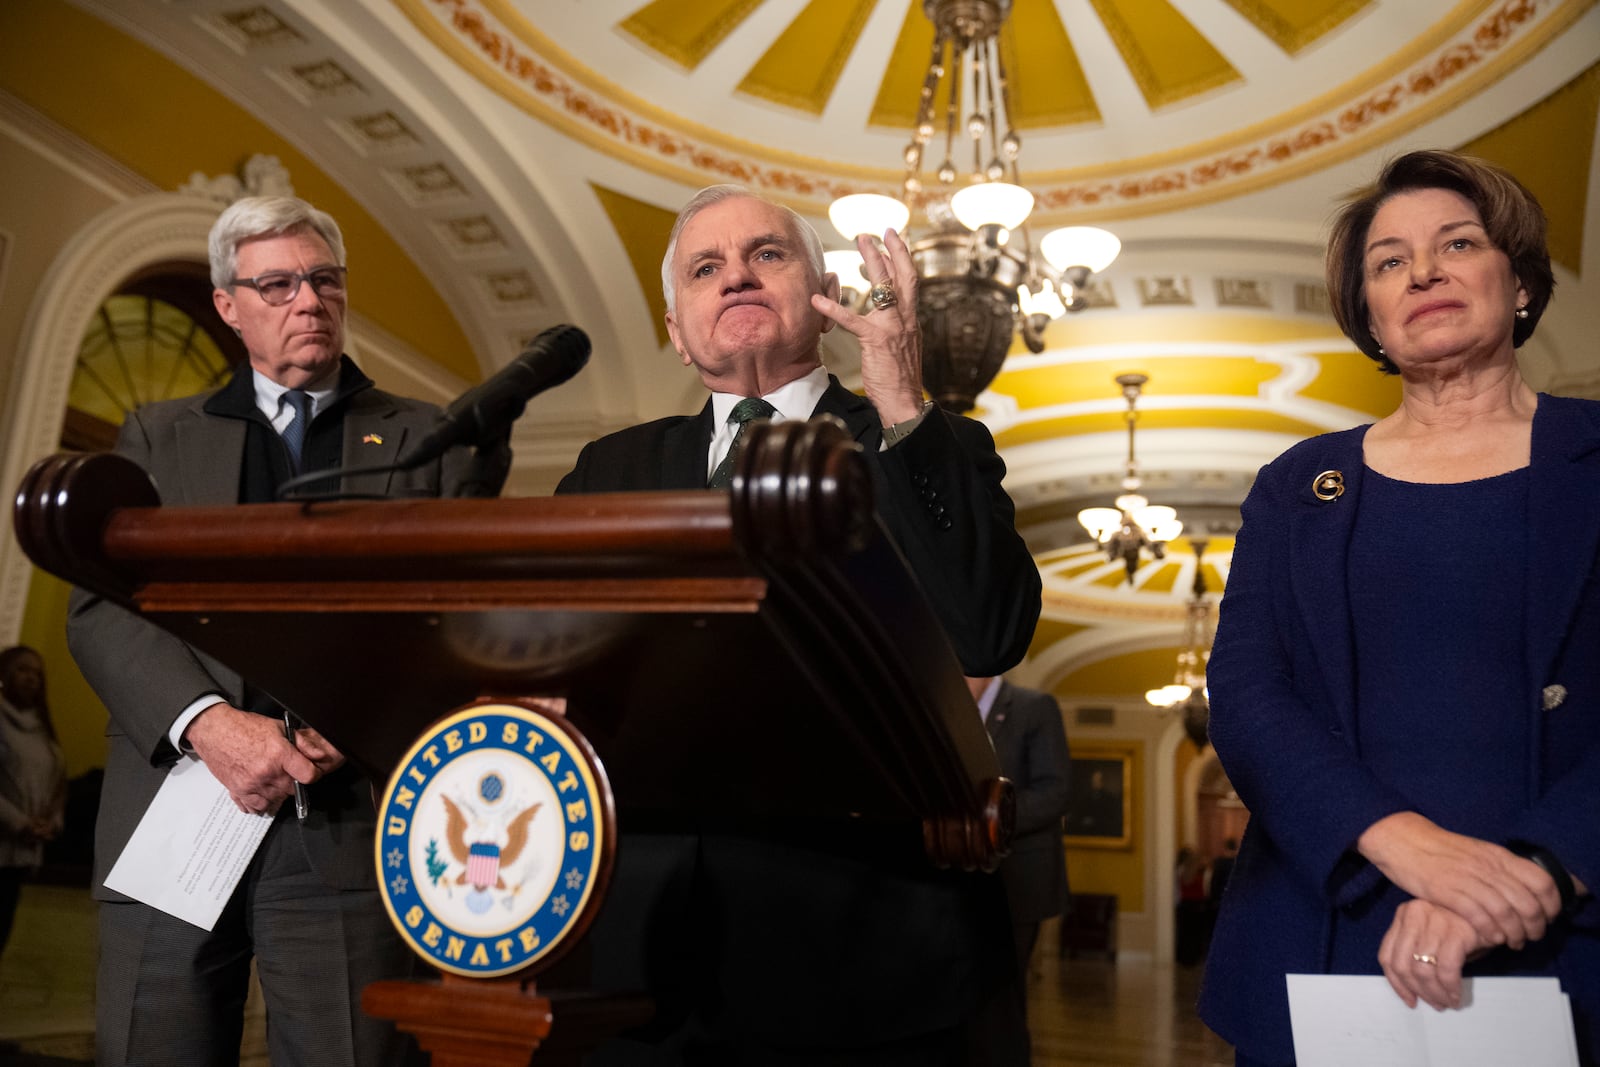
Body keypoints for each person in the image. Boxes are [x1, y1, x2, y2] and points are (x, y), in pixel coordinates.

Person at [555, 184, 1042, 1065]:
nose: (736, 275)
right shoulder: (611, 466)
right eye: (706, 268)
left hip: (860, 933)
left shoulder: (919, 442)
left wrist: (898, 396)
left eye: (767, 255)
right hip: (641, 939)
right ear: (676, 327)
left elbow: (988, 631)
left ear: (827, 298)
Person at [66, 195, 508, 1067]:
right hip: (177, 809)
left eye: (324, 280)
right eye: (278, 284)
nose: (308, 300)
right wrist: (208, 722)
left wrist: (356, 714)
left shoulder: (429, 439)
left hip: (346, 823)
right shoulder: (158, 433)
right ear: (230, 305)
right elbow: (100, 603)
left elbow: (456, 611)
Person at [1197, 149, 1598, 1067]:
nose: (1423, 271)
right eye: (1388, 261)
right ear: (1370, 314)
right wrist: (1411, 853)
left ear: (1521, 281)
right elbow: (1250, 696)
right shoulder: (1298, 484)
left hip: (1569, 930)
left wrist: (1541, 867)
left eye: (1458, 242)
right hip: (1329, 930)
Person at [967, 675, 1071, 1051]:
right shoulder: (954, 711)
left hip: (1021, 879)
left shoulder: (1034, 707)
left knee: (1004, 999)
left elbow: (1055, 792)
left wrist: (987, 820)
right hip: (967, 876)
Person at [0, 645, 66, 960]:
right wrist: (19, 822)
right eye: (23, 670)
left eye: (38, 673)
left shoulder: (41, 727)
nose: (31, 678)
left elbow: (56, 783)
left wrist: (51, 822)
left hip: (21, 853)